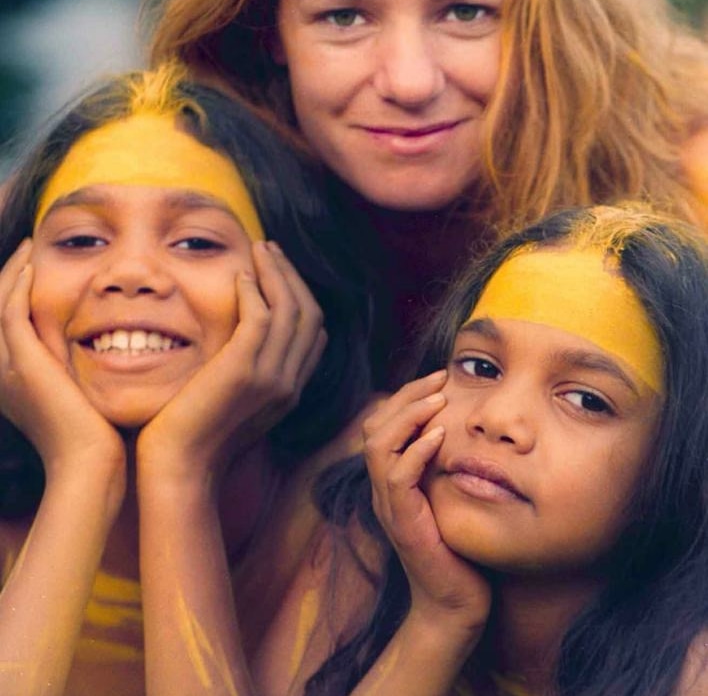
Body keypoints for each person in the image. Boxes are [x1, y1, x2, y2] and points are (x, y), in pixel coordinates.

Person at [147, 0, 708, 379]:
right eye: (344, 18)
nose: (409, 81)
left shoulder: (692, 190)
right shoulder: (149, 235)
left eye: (465, 12)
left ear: (548, 17)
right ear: (266, 25)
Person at [0, 64, 371, 696]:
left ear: (295, 293)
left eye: (196, 243)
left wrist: (179, 470)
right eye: (83, 239)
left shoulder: (369, 488)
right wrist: (83, 471)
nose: (131, 273)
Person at [288, 203, 706, 696]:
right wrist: (440, 619)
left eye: (584, 399)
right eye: (481, 368)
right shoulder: (364, 549)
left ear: (685, 464)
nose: (497, 419)